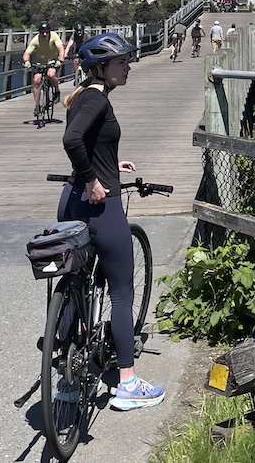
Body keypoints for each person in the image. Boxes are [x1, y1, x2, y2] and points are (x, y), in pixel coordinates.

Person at [58, 33, 165, 410]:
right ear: (101, 68)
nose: (129, 67)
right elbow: (72, 140)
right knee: (121, 292)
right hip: (98, 206)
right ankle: (128, 385)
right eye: (122, 62)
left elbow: (86, 144)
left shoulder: (83, 97)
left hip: (69, 202)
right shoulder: (96, 99)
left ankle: (66, 382)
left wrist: (107, 166)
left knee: (76, 283)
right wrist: (93, 180)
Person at [23, 21, 65, 115]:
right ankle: (37, 105)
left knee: (51, 74)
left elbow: (61, 48)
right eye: (42, 32)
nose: (45, 34)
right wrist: (26, 61)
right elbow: (27, 53)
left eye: (47, 32)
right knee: (36, 80)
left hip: (53, 61)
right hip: (40, 63)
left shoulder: (54, 36)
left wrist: (60, 60)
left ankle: (57, 91)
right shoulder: (35, 40)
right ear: (39, 33)